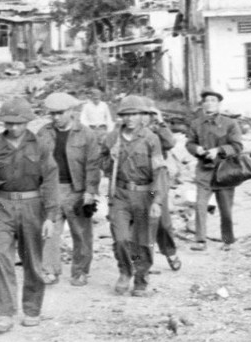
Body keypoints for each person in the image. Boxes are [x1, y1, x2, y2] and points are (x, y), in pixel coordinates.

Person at [0, 97, 59, 334]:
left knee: (32, 260)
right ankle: (5, 313)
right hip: (1, 205)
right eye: (8, 123)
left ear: (28, 122)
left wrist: (50, 216)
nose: (13, 127)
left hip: (33, 206)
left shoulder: (40, 145)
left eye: (18, 123)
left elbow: (50, 181)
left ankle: (32, 309)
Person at [100, 95, 168, 297]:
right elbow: (102, 165)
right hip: (120, 194)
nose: (130, 119)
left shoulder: (151, 139)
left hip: (144, 194)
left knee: (143, 241)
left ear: (142, 115)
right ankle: (125, 271)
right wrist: (110, 158)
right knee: (120, 238)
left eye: (134, 114)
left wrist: (156, 200)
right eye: (126, 115)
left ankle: (141, 278)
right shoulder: (112, 138)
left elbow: (159, 173)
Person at [37, 92, 102, 287]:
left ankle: (80, 272)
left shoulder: (86, 134)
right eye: (52, 114)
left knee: (81, 233)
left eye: (60, 113)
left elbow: (93, 164)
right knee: (49, 232)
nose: (56, 117)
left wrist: (90, 191)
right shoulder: (43, 133)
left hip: (77, 191)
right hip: (51, 190)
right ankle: (50, 270)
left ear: (71, 111)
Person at [185, 88, 243, 251]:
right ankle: (200, 240)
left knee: (225, 208)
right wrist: (196, 149)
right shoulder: (196, 124)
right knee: (200, 205)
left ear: (219, 104)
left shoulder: (230, 123)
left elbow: (237, 146)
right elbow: (189, 143)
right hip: (204, 170)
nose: (209, 103)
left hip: (225, 171)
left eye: (213, 100)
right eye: (206, 100)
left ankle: (228, 240)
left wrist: (218, 150)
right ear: (202, 104)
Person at [143, 97, 182, 271]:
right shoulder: (127, 132)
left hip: (156, 183)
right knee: (140, 225)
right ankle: (142, 261)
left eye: (148, 113)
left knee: (162, 221)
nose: (144, 117)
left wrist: (160, 122)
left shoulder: (156, 130)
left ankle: (170, 252)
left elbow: (170, 143)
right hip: (134, 184)